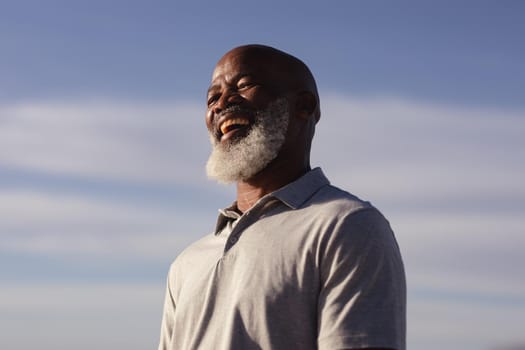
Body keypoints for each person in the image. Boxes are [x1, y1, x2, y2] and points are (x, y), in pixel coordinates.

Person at [158, 44, 406, 350]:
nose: (222, 103)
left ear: (303, 106)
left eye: (244, 85)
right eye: (212, 97)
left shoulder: (347, 227)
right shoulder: (187, 263)